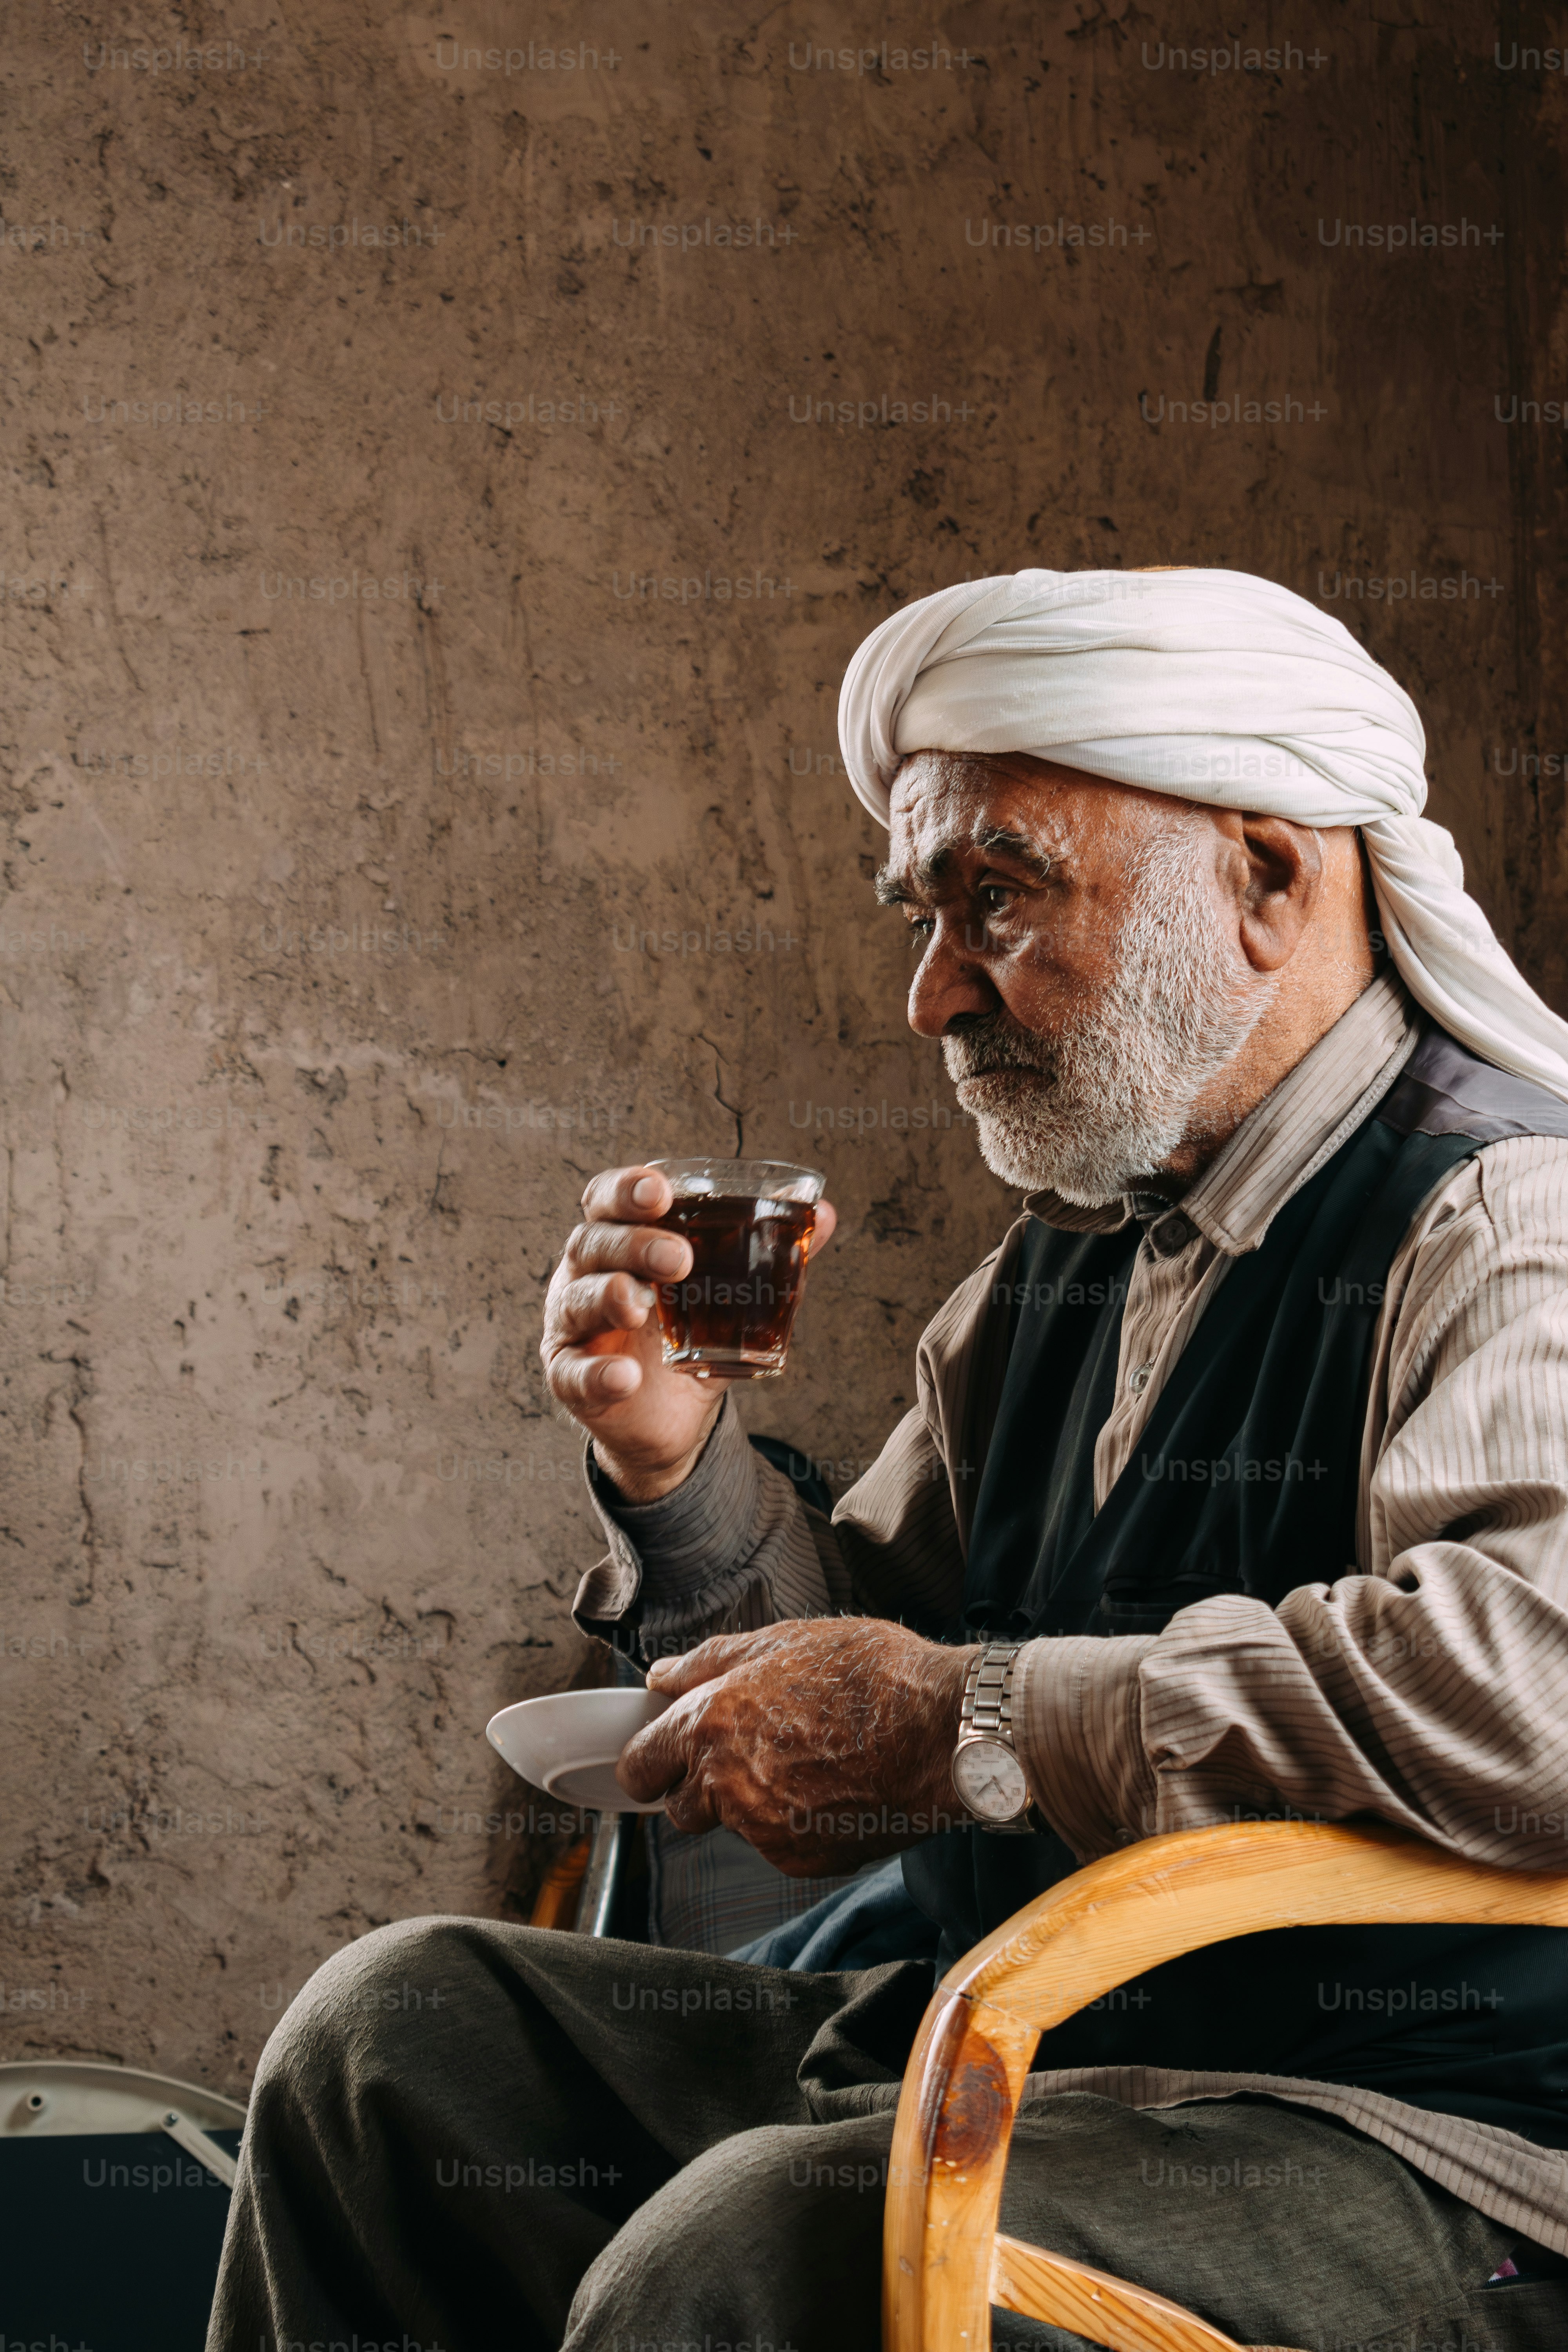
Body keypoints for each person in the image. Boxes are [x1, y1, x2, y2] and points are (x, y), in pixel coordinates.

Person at [209, 569, 1568, 2352]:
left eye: (993, 901)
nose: (932, 996)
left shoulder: (1501, 1217)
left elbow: (1532, 1693)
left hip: (1408, 2148)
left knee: (764, 2247)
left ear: (1268, 877)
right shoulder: (1072, 1250)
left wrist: (970, 1720)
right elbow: (867, 1651)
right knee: (398, 2043)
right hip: (1023, 2045)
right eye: (922, 915)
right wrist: (672, 1459)